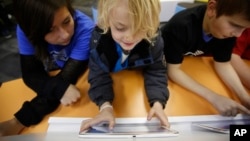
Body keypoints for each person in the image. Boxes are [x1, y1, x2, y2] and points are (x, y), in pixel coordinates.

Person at [0, 0, 94, 136]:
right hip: (59, 69)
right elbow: (31, 74)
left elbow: (66, 78)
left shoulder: (86, 30)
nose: (65, 34)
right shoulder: (25, 28)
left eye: (67, 21)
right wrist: (59, 88)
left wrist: (18, 121)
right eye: (50, 30)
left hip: (85, 75)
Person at [80, 0, 170, 133]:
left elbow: (156, 70)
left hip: (135, 92)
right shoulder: (98, 40)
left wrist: (158, 102)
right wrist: (105, 107)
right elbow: (98, 74)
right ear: (107, 20)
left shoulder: (153, 39)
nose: (130, 37)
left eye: (140, 28)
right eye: (120, 28)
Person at [161, 0, 250, 117]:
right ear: (212, 9)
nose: (238, 34)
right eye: (235, 25)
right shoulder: (181, 26)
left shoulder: (227, 32)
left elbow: (223, 64)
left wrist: (244, 98)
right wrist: (214, 98)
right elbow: (173, 70)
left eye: (244, 29)